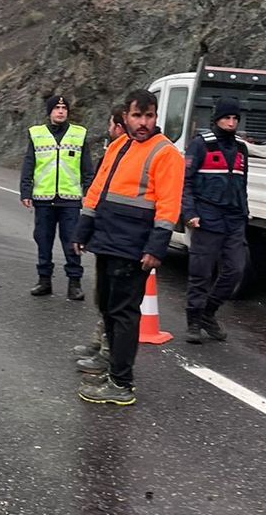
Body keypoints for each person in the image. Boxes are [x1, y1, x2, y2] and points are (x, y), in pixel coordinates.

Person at [72, 89, 184, 406]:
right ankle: (111, 365)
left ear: (156, 117)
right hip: (108, 239)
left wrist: (156, 248)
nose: (143, 122)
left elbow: (168, 206)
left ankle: (121, 383)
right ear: (126, 116)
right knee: (107, 306)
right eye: (137, 115)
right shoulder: (119, 146)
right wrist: (83, 230)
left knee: (123, 313)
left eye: (149, 116)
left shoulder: (166, 153)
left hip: (133, 245)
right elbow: (97, 190)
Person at [181, 97, 250, 344]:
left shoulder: (241, 149)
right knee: (201, 273)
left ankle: (208, 312)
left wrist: (244, 213)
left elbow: (242, 184)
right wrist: (189, 213)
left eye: (234, 118)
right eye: (226, 118)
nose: (231, 123)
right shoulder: (200, 145)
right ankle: (193, 321)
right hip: (207, 217)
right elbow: (186, 182)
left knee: (236, 270)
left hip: (234, 219)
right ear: (217, 119)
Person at [20, 95, 95, 300]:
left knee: (73, 242)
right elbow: (29, 164)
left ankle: (74, 283)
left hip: (70, 200)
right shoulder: (37, 134)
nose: (60, 111)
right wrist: (25, 191)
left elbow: (87, 168)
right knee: (43, 241)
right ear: (49, 112)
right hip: (43, 199)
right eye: (56, 108)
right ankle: (44, 280)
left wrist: (88, 192)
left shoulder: (79, 134)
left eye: (64, 108)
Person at [72, 103, 126, 361]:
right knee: (103, 296)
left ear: (118, 126)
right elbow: (96, 191)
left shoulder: (128, 155)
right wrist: (85, 231)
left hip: (120, 237)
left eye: (110, 124)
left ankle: (108, 352)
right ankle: (99, 341)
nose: (109, 129)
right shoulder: (113, 152)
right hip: (106, 234)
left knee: (115, 300)